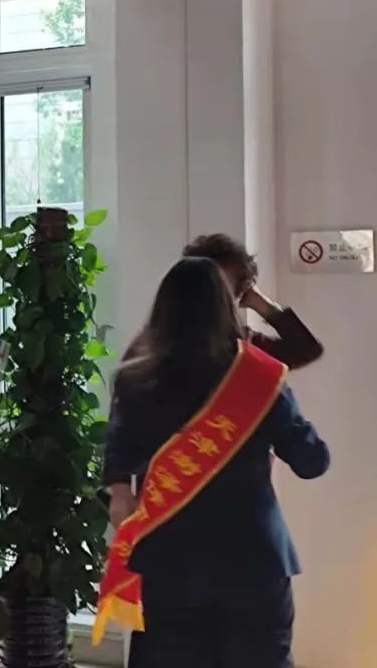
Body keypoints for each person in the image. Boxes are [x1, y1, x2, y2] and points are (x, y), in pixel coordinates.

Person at [102, 257, 329, 668]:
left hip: (168, 559)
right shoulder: (259, 377)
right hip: (254, 560)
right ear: (227, 308)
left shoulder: (135, 379)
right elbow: (312, 462)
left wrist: (121, 492)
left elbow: (120, 453)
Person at [125, 233, 323, 369]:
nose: (211, 293)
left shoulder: (241, 345)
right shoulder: (153, 343)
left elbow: (305, 349)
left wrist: (261, 303)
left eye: (222, 287)